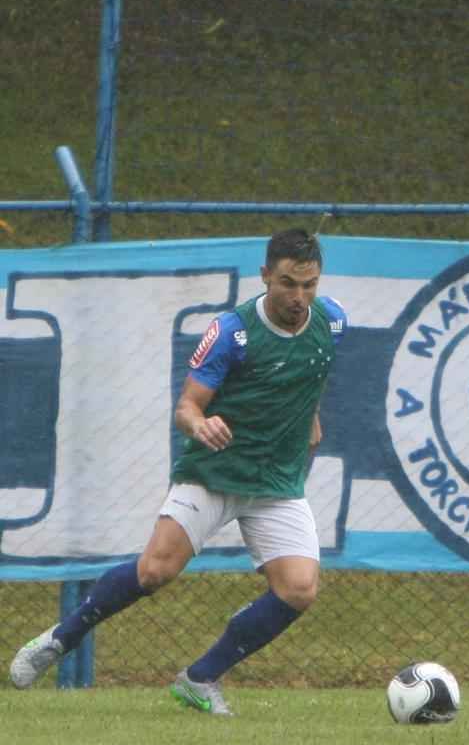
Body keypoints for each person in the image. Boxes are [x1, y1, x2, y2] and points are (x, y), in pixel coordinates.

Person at [10, 227, 347, 715]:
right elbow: (187, 406)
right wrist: (201, 423)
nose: (300, 297)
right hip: (214, 471)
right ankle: (61, 638)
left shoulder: (332, 322)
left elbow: (314, 370)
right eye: (289, 283)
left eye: (309, 285)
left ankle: (201, 678)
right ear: (265, 277)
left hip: (276, 482)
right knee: (154, 571)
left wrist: (310, 415)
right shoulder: (232, 332)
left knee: (299, 589)